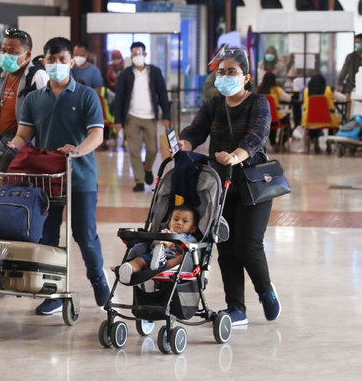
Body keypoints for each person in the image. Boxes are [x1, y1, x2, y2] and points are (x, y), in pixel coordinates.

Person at [177, 46, 280, 326]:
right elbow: (196, 130)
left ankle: (265, 290)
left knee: (248, 244)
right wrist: (184, 143)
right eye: (221, 72)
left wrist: (236, 155)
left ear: (245, 77)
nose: (225, 76)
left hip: (253, 184)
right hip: (220, 185)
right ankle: (236, 308)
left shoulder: (258, 102)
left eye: (231, 72)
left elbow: (257, 135)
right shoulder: (214, 104)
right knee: (226, 246)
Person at [9, 36, 110, 314]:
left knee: (84, 235)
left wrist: (76, 151)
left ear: (72, 62)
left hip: (80, 178)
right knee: (47, 236)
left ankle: (100, 283)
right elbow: (23, 135)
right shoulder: (33, 99)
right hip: (45, 180)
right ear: (43, 61)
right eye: (51, 60)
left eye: (62, 60)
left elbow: (97, 135)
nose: (56, 65)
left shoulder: (87, 95)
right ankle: (52, 291)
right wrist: (9, 148)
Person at [113, 41, 171, 192]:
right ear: (130, 56)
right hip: (131, 117)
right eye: (134, 54)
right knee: (134, 150)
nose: (137, 56)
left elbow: (163, 94)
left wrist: (166, 115)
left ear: (145, 54)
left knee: (152, 149)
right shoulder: (125, 74)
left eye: (139, 53)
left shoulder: (155, 72)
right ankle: (139, 181)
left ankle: (147, 169)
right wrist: (117, 120)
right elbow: (119, 97)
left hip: (150, 116)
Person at [0, 28, 48, 143]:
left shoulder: (37, 77)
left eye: (12, 52)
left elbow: (47, 117)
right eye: (3, 50)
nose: (5, 55)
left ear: (27, 55)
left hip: (26, 147)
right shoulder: (1, 76)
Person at [117, 204, 199, 284]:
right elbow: (153, 244)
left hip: (172, 259)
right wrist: (160, 241)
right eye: (176, 219)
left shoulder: (189, 238)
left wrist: (176, 241)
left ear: (192, 229)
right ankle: (129, 269)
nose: (179, 223)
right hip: (153, 257)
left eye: (184, 221)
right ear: (170, 223)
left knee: (183, 257)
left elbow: (185, 250)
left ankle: (162, 264)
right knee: (140, 260)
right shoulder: (165, 232)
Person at [302, 73, 344, 153]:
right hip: (328, 121)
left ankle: (315, 139)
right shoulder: (329, 90)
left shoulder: (306, 91)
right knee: (334, 122)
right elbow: (343, 98)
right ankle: (329, 139)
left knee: (314, 121)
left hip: (310, 121)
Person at [257, 73, 292, 147]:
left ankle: (273, 142)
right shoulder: (276, 90)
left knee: (270, 122)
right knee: (286, 122)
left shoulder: (259, 90)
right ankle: (280, 143)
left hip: (262, 120)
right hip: (276, 119)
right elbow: (289, 99)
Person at [337, 34, 362, 118]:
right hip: (350, 85)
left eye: (358, 42)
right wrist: (339, 83)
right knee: (349, 108)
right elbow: (343, 71)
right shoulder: (350, 57)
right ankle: (348, 122)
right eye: (355, 42)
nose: (356, 44)